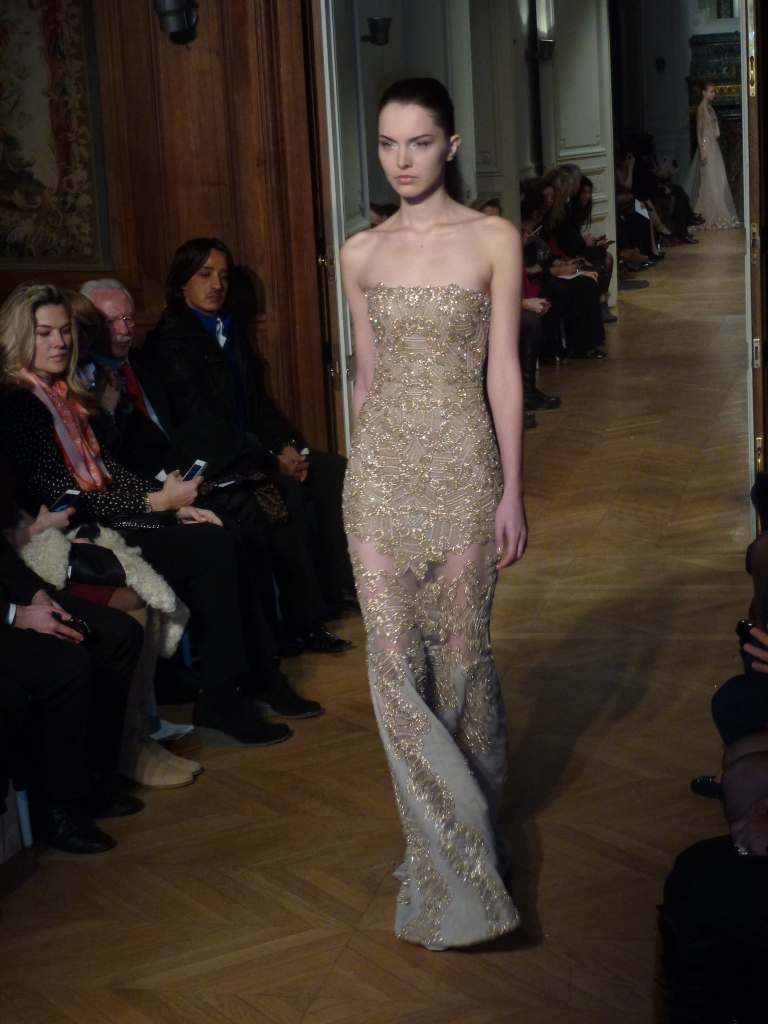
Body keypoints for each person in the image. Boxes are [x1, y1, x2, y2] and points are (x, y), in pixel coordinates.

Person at [340, 77, 525, 950]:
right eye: (387, 143)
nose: (402, 160)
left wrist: (513, 490)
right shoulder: (360, 253)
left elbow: (503, 372)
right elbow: (366, 377)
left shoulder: (493, 238)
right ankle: (454, 865)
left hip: (463, 473)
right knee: (392, 665)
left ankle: (474, 832)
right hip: (379, 478)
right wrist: (358, 469)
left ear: (450, 145)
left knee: (463, 663)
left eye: (418, 142)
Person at [0, 282, 320, 746]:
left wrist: (172, 500)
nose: (61, 342)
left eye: (65, 331)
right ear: (18, 337)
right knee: (212, 546)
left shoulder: (60, 392)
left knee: (224, 527)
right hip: (70, 538)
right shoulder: (19, 402)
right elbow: (63, 496)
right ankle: (224, 696)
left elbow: (108, 473)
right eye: (45, 333)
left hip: (106, 520)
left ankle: (256, 675)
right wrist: (156, 504)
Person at [77, 279, 347, 656]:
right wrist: (109, 413)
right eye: (110, 321)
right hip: (144, 490)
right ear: (88, 327)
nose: (123, 329)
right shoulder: (82, 381)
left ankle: (302, 622)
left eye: (128, 319)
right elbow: (107, 467)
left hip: (185, 466)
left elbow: (190, 421)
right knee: (245, 509)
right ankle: (266, 644)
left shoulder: (143, 363)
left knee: (275, 489)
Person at [144, 239, 356, 649]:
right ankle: (302, 622)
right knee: (283, 490)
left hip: (256, 450)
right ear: (182, 282)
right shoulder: (171, 340)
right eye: (205, 275)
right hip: (219, 461)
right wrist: (270, 459)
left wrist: (289, 446)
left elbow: (260, 405)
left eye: (223, 276)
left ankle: (340, 591)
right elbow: (203, 423)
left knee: (331, 470)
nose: (217, 285)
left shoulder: (230, 329)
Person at [0, 532, 144, 853]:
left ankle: (90, 777)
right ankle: (54, 803)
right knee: (67, 666)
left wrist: (36, 596)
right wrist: (15, 616)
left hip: (11, 601)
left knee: (120, 634)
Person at [683, 82, 740, 230]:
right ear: (703, 92)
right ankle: (709, 216)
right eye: (711, 91)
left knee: (719, 178)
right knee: (710, 180)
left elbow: (714, 130)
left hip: (713, 146)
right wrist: (702, 151)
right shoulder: (700, 109)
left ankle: (716, 214)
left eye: (714, 91)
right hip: (706, 146)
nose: (713, 94)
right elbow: (699, 131)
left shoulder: (710, 108)